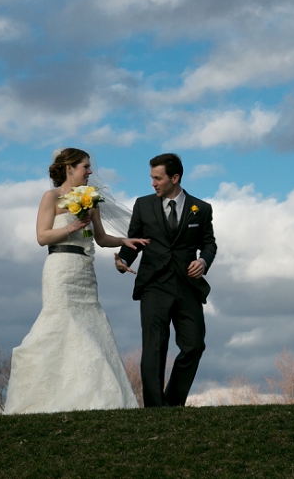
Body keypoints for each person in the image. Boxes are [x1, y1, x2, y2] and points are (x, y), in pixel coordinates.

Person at [4, 148, 148, 414]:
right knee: (60, 324)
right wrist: (71, 227)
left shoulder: (90, 200)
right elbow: (42, 236)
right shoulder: (52, 197)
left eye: (89, 167)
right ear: (69, 168)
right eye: (85, 166)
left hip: (85, 272)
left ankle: (92, 398)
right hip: (60, 269)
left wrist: (124, 241)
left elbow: (102, 238)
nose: (90, 172)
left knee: (90, 327)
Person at [114, 153, 217, 407]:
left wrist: (203, 261)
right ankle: (154, 409)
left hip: (187, 286)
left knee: (194, 346)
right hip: (154, 285)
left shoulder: (201, 209)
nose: (153, 183)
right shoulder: (142, 205)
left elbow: (209, 243)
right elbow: (134, 240)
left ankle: (172, 403)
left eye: (157, 178)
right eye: (151, 178)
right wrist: (123, 261)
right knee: (154, 348)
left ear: (175, 178)